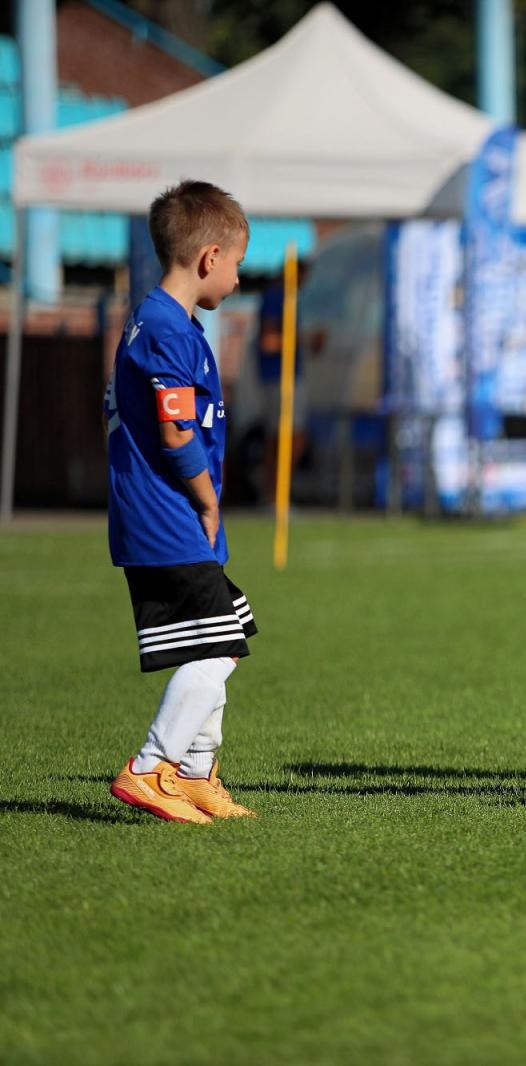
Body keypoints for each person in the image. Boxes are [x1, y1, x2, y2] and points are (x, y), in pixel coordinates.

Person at [104, 180, 256, 823]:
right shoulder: (167, 329)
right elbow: (175, 430)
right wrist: (207, 500)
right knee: (218, 647)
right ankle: (151, 767)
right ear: (208, 257)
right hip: (168, 517)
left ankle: (194, 774)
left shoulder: (166, 321)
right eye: (238, 264)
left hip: (171, 518)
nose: (239, 280)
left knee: (226, 635)